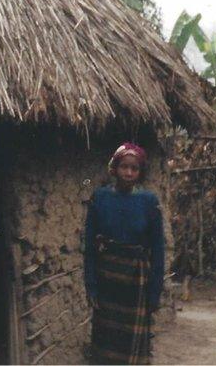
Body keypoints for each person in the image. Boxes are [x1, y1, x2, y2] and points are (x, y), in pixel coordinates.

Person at [83, 142, 165, 365]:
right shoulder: (100, 198)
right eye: (124, 167)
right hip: (107, 279)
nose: (129, 173)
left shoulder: (149, 202)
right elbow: (89, 246)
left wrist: (155, 292)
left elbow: (158, 250)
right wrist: (91, 285)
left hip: (136, 283)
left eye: (134, 168)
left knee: (131, 348)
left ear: (140, 172)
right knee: (105, 344)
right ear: (115, 168)